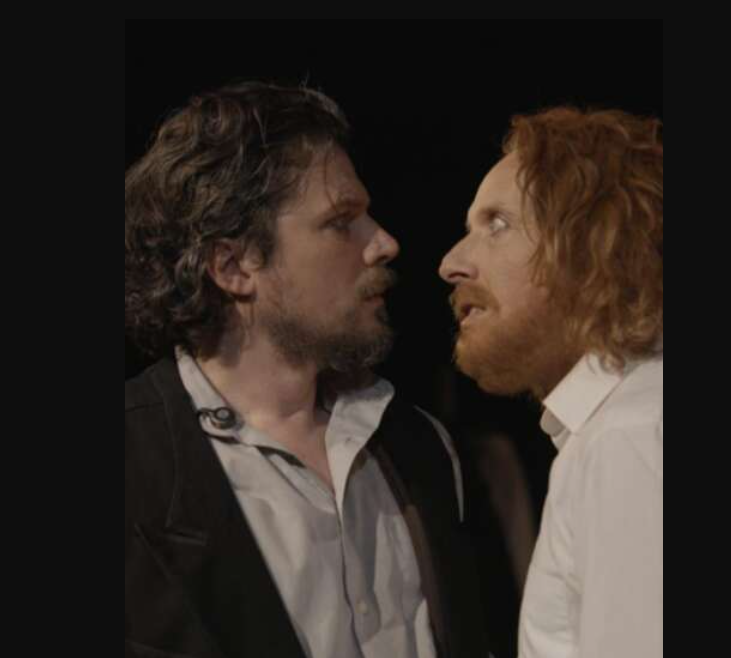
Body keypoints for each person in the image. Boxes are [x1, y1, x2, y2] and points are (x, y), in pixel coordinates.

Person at [126, 82, 488, 658]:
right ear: (232, 266)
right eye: (342, 221)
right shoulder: (136, 463)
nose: (384, 242)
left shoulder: (420, 445)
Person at [439, 106, 664, 658]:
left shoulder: (626, 437)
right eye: (468, 230)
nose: (451, 263)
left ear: (596, 247)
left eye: (497, 225)